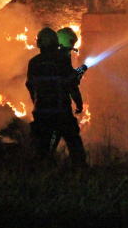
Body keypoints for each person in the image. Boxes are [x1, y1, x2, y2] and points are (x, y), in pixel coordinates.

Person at [26, 27, 87, 167]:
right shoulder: (62, 60)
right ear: (55, 42)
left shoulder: (33, 62)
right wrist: (78, 103)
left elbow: (30, 86)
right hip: (61, 111)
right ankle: (80, 170)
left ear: (39, 43)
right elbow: (71, 84)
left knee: (41, 147)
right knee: (73, 142)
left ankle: (40, 173)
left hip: (42, 113)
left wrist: (37, 104)